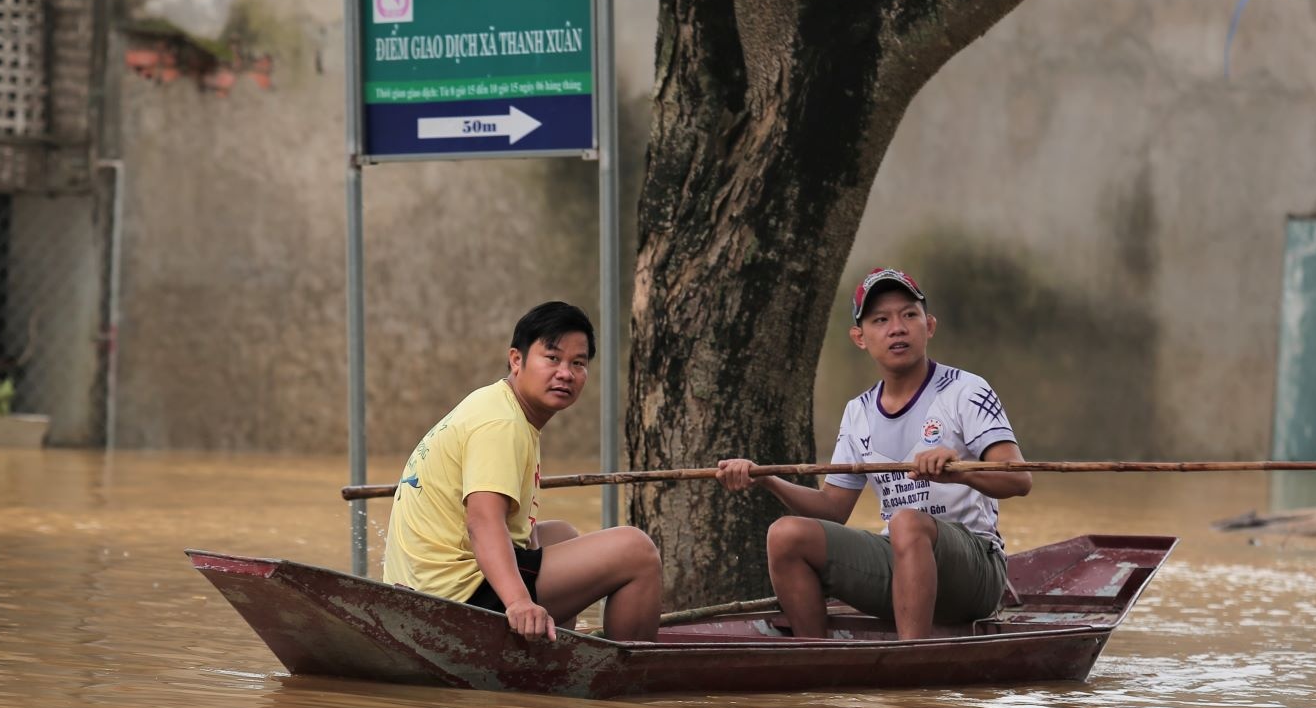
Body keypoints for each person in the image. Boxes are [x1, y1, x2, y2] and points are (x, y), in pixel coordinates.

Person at [715, 267, 1031, 640]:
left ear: (929, 326)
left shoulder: (965, 390)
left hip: (976, 571)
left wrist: (959, 472)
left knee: (906, 522)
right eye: (880, 320)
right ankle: (818, 660)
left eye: (909, 315)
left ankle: (911, 663)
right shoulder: (858, 412)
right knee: (785, 535)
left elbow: (1018, 479)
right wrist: (766, 479)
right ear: (860, 337)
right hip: (901, 563)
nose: (897, 328)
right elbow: (833, 509)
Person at [382, 301, 661, 642]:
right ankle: (628, 669)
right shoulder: (502, 424)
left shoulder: (498, 404)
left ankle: (542, 653)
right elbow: (483, 521)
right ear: (517, 360)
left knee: (562, 535)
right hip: (454, 595)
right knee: (637, 551)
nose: (566, 373)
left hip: (422, 584)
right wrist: (518, 602)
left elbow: (512, 527)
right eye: (553, 358)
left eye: (579, 363)